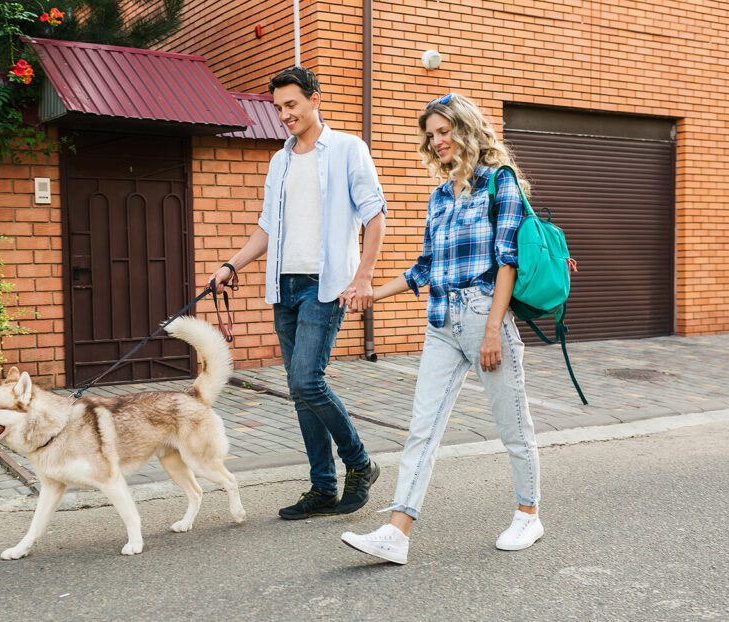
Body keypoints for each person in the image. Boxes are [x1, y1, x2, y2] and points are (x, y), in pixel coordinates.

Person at [340, 93, 543, 564]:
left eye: (443, 132)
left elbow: (507, 262)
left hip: (483, 315)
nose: (436, 142)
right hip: (440, 323)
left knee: (514, 425)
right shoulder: (439, 196)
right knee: (422, 430)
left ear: (466, 129)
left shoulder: (500, 183)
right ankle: (397, 532)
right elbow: (425, 266)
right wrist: (370, 291)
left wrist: (494, 328)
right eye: (430, 136)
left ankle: (528, 513)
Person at [209, 66, 387, 519]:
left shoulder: (348, 149)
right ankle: (323, 488)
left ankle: (360, 463)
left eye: (292, 104)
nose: (285, 114)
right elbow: (268, 226)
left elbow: (374, 214)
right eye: (279, 108)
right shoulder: (280, 160)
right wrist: (231, 266)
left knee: (308, 379)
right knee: (298, 389)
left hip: (324, 285)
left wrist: (363, 276)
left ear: (314, 99)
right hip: (283, 284)